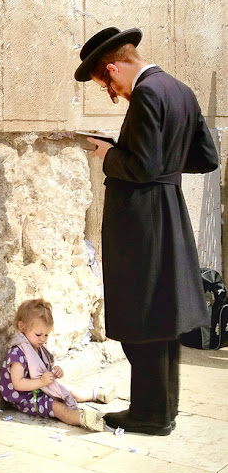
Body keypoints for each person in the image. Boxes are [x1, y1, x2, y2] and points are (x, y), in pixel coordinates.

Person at [75, 26, 219, 436]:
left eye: (107, 84)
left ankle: (151, 415)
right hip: (169, 210)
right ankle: (159, 410)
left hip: (140, 219)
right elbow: (205, 158)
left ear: (114, 66)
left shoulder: (148, 95)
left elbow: (139, 166)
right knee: (161, 314)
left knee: (142, 316)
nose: (113, 93)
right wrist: (166, 167)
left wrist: (107, 153)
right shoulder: (182, 91)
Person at [0, 298, 112, 431]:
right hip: (25, 398)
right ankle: (82, 419)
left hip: (39, 388)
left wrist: (55, 372)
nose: (43, 339)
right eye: (38, 334)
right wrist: (42, 382)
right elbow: (18, 383)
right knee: (56, 407)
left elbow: (42, 370)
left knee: (66, 389)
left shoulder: (37, 348)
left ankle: (96, 394)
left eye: (46, 335)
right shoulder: (17, 353)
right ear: (22, 327)